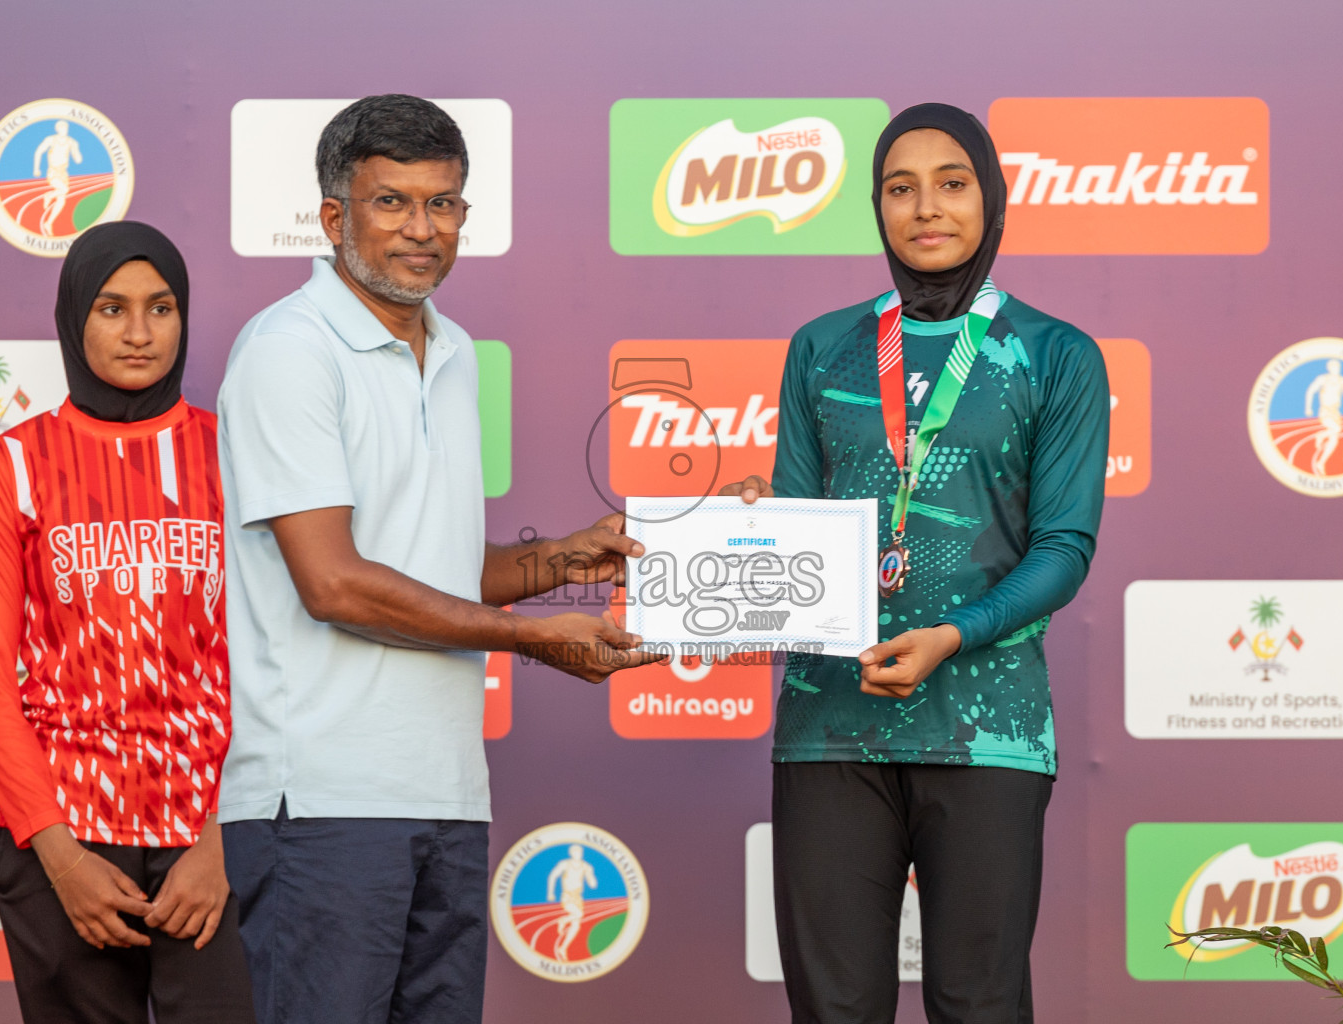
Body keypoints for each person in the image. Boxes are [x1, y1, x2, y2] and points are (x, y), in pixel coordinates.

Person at [216, 93, 661, 1024]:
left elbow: (438, 563)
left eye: (444, 203)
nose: (423, 231)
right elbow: (334, 582)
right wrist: (532, 642)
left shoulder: (453, 351)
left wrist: (566, 562)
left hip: (448, 794)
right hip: (324, 802)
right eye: (393, 203)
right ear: (335, 216)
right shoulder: (288, 351)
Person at [723, 104, 1109, 1023]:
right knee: (835, 1009)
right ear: (876, 206)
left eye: (952, 183)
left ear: (993, 198)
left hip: (988, 730)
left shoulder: (1055, 354)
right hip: (830, 727)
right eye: (900, 188)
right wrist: (753, 532)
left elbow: (1064, 548)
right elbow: (802, 535)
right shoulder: (824, 346)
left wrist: (953, 634)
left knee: (980, 1004)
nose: (925, 207)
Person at [0, 221, 254, 1024]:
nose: (138, 333)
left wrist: (225, 833)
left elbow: (277, 658)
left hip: (214, 837)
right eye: (113, 308)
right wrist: (57, 853)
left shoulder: (235, 456)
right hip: (64, 840)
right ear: (74, 316)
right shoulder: (9, 466)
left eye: (161, 308)